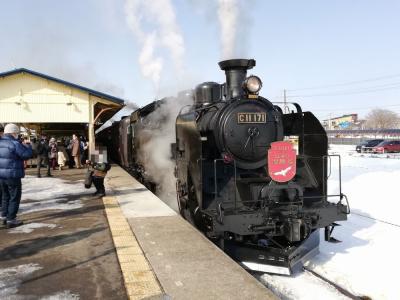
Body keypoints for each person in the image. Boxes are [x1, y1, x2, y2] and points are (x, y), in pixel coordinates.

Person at [0, 123, 32, 228]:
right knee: (14, 196)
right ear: (14, 133)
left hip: (1, 175)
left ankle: (3, 217)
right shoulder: (15, 143)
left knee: (5, 196)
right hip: (12, 174)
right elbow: (26, 155)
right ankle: (11, 219)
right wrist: (28, 146)